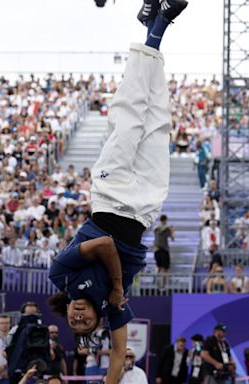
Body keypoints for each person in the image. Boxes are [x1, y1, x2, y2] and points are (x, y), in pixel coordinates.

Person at [47, 2, 188, 384]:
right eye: (84, 323)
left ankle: (157, 26)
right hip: (143, 209)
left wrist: (116, 288)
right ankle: (154, 28)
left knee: (129, 117)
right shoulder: (114, 312)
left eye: (73, 320)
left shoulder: (60, 274)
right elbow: (118, 359)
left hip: (110, 194)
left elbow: (106, 245)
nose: (78, 317)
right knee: (158, 124)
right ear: (95, 321)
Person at [154, 214, 175, 286]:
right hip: (163, 250)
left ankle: (156, 283)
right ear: (165, 220)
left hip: (156, 250)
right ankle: (163, 285)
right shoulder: (166, 228)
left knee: (158, 267)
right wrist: (172, 231)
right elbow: (173, 238)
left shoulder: (156, 228)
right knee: (165, 269)